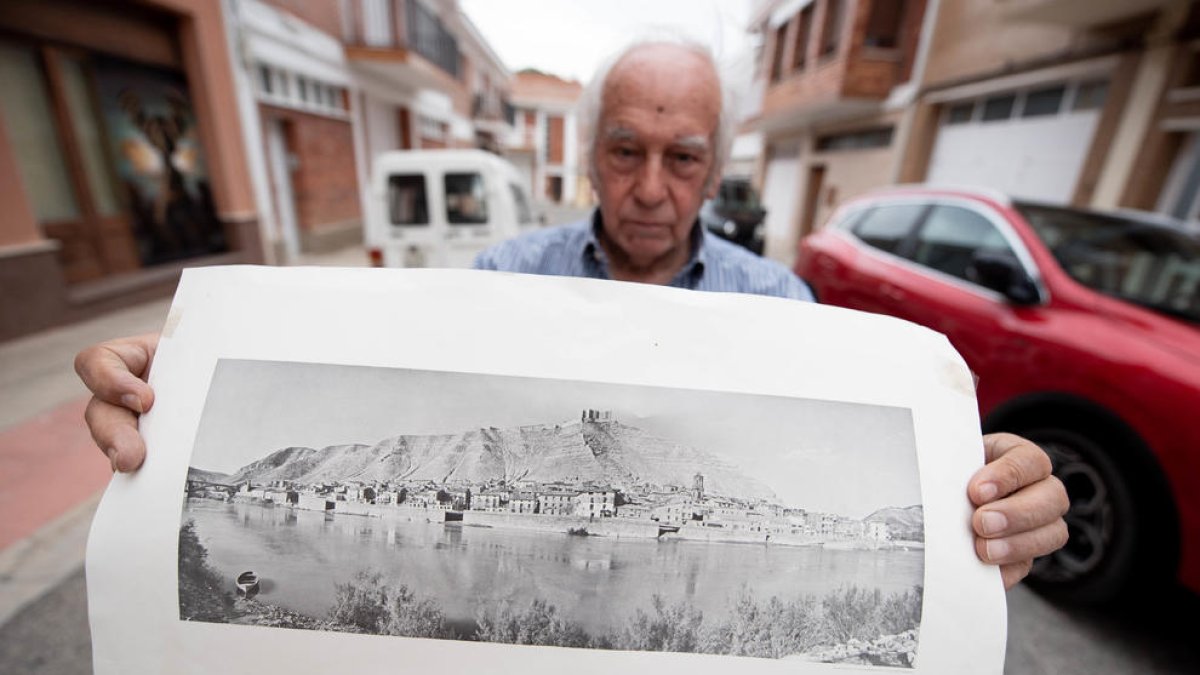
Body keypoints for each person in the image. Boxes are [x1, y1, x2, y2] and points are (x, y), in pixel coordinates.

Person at [75, 38, 1068, 592]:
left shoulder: (782, 310)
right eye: (625, 150)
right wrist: (180, 374)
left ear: (714, 172)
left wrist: (983, 530)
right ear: (590, 154)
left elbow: (951, 543)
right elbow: (370, 355)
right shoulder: (502, 274)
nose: (648, 187)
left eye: (682, 159)